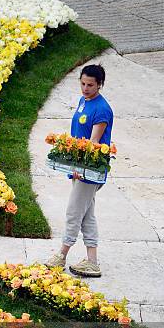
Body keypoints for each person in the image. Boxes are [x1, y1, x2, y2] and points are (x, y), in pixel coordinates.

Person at [46, 64, 113, 277]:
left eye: (90, 85)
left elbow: (93, 143)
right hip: (79, 168)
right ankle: (92, 262)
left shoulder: (102, 110)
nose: (85, 88)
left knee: (74, 212)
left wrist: (80, 169)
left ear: (100, 84)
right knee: (87, 215)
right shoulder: (83, 101)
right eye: (83, 84)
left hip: (89, 170)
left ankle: (61, 255)